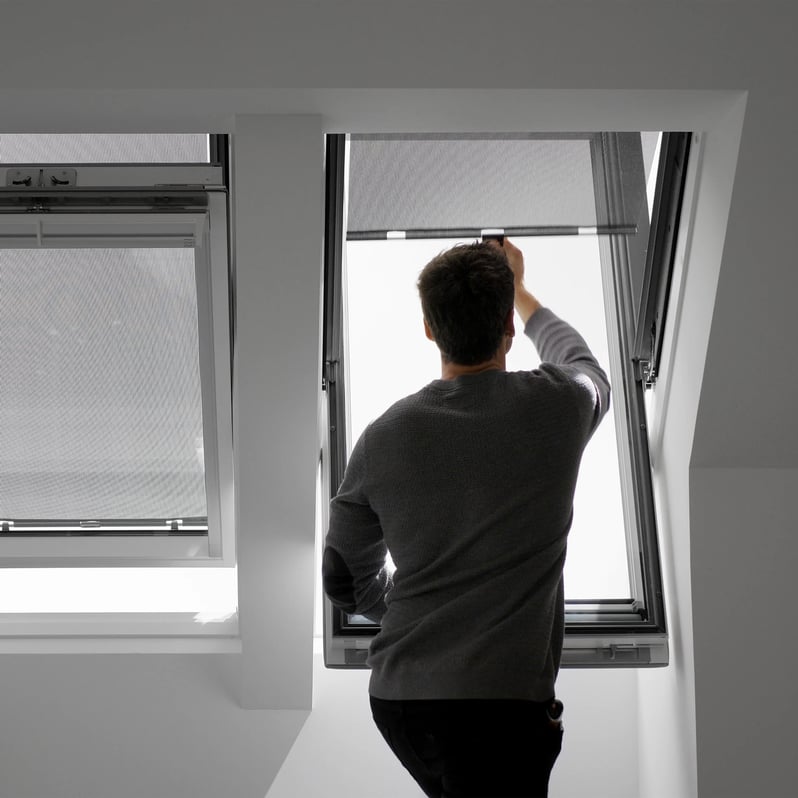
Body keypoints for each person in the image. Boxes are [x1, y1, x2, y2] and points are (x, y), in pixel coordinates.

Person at [322, 238, 611, 797]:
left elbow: (343, 578)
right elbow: (587, 366)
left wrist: (412, 606)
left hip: (402, 698)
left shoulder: (385, 435)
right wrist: (523, 293)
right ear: (505, 323)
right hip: (500, 705)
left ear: (429, 328)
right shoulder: (559, 404)